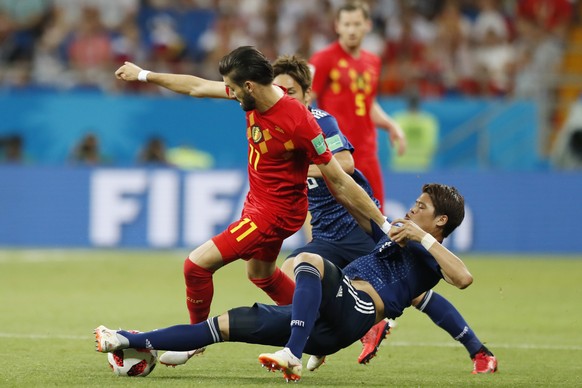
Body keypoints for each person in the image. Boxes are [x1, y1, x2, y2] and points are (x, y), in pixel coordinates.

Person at [113, 46, 389, 366]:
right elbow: (197, 86)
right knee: (262, 275)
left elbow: (340, 179)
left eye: (231, 86)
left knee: (196, 265)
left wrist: (382, 225)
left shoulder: (300, 122)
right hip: (258, 204)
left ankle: (193, 340)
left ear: (249, 86)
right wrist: (143, 74)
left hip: (276, 213)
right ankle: (318, 330)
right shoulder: (251, 94)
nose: (227, 91)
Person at [95, 183, 498, 383]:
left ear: (440, 221)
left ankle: (291, 352)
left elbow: (463, 278)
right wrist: (329, 174)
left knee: (308, 260)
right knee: (223, 324)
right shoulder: (396, 238)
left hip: (353, 311)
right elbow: (357, 203)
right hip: (325, 322)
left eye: (422, 207)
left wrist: (420, 237)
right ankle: (130, 339)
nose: (413, 208)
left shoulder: (429, 255)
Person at [273, 55, 497, 373]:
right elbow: (307, 199)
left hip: (354, 226)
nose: (283, 98)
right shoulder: (280, 131)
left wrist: (295, 170)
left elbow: (346, 165)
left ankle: (476, 351)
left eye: (290, 91)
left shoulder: (319, 119)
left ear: (306, 93)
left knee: (415, 292)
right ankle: (326, 333)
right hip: (328, 233)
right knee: (300, 272)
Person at [309, 1, 407, 211]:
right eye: (346, 24)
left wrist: (391, 125)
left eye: (356, 24)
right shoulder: (323, 60)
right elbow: (305, 100)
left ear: (367, 25)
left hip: (367, 152)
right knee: (331, 219)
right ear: (337, 26)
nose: (351, 30)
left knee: (377, 218)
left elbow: (367, 102)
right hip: (337, 153)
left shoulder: (372, 61)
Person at [390, 93, 439, 172]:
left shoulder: (398, 119)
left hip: (401, 165)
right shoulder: (428, 121)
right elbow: (432, 144)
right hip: (422, 165)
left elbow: (392, 142)